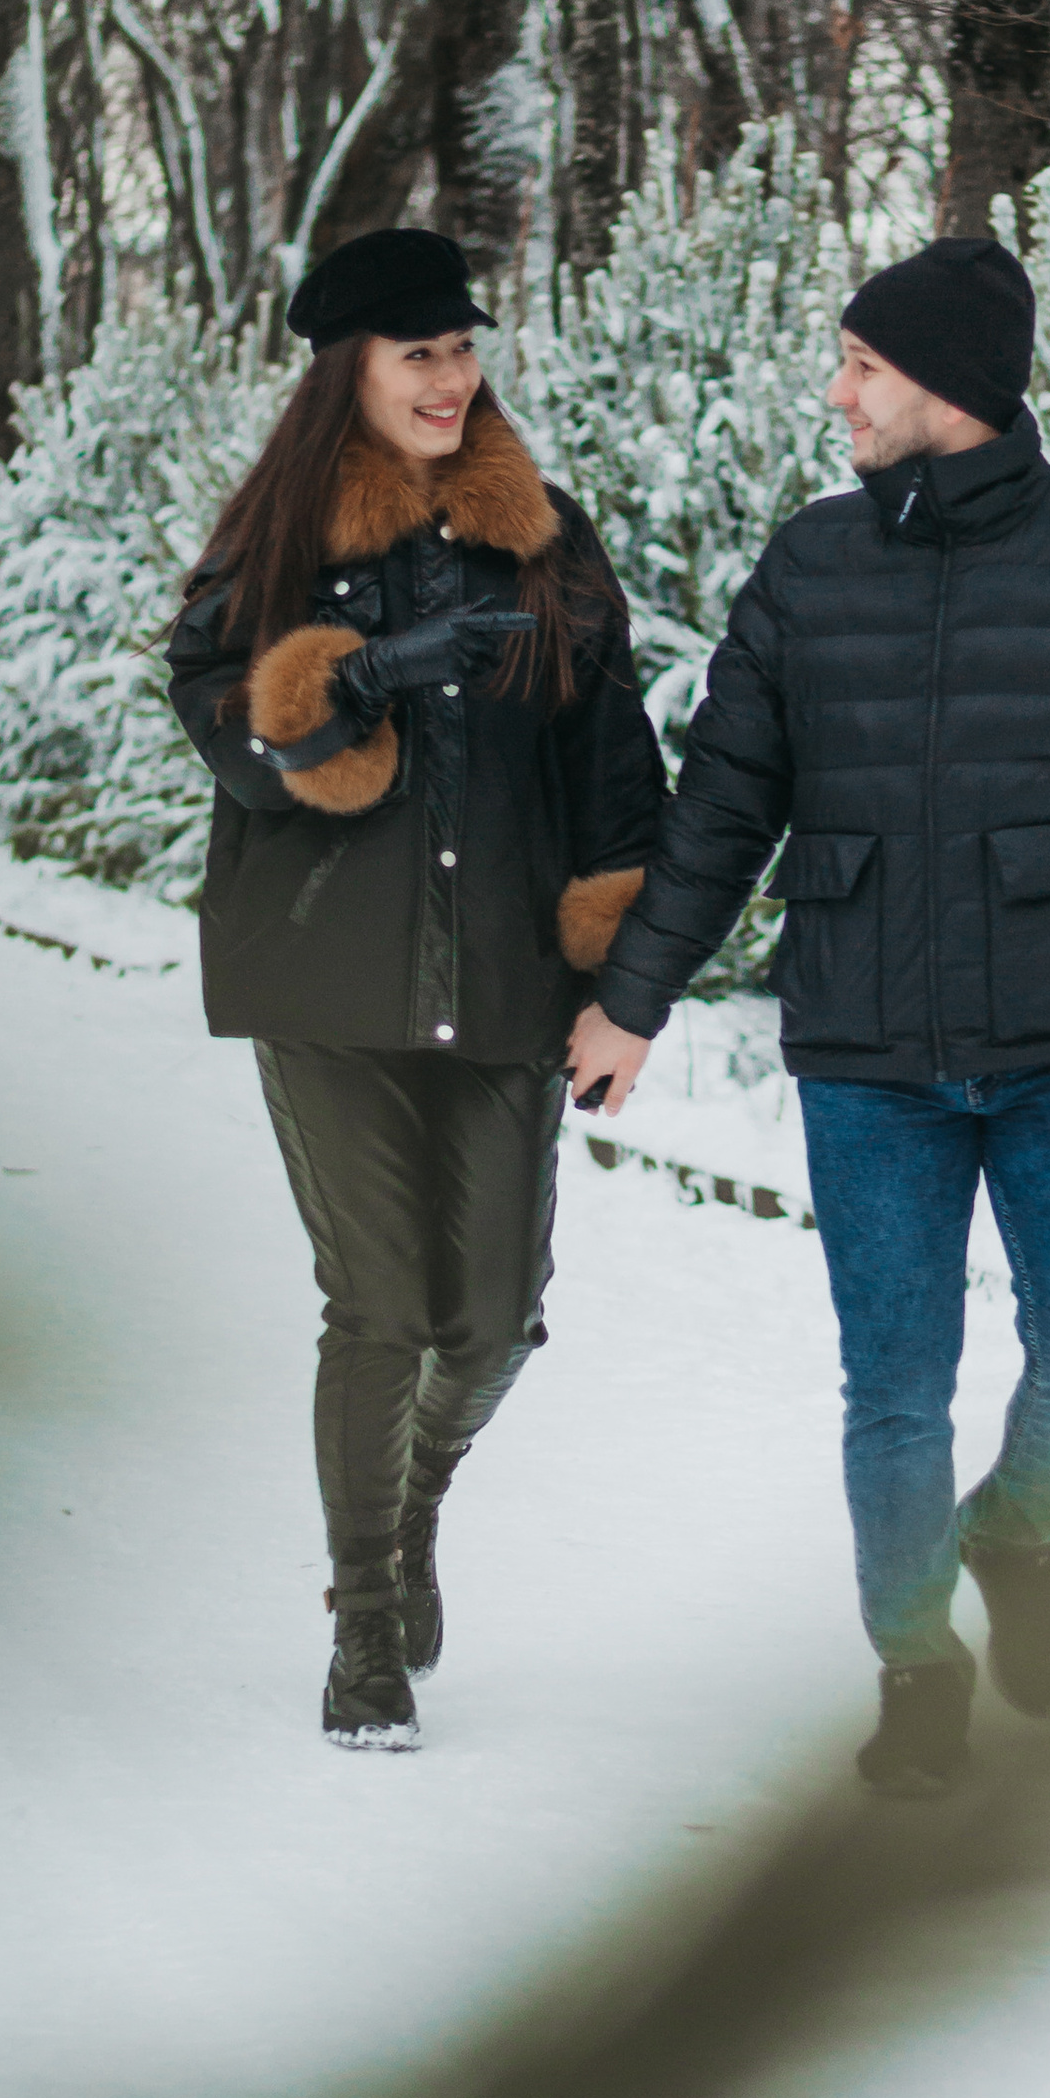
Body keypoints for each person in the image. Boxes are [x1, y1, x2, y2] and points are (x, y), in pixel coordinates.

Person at [567, 232, 1050, 1797]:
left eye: (863, 368)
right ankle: (917, 1664)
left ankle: (1013, 1535)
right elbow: (719, 814)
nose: (837, 395)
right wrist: (633, 1003)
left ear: (950, 386)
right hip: (867, 1058)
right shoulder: (808, 570)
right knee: (894, 1386)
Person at [168, 227, 662, 1749]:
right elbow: (223, 735)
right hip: (330, 983)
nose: (450, 380)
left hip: (510, 980)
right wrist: (359, 675)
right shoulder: (270, 544)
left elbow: (612, 759)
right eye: (416, 355)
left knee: (498, 1317)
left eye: (462, 350)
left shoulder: (547, 539)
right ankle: (365, 1627)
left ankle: (413, 1506)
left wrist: (623, 979)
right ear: (350, 375)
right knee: (380, 1304)